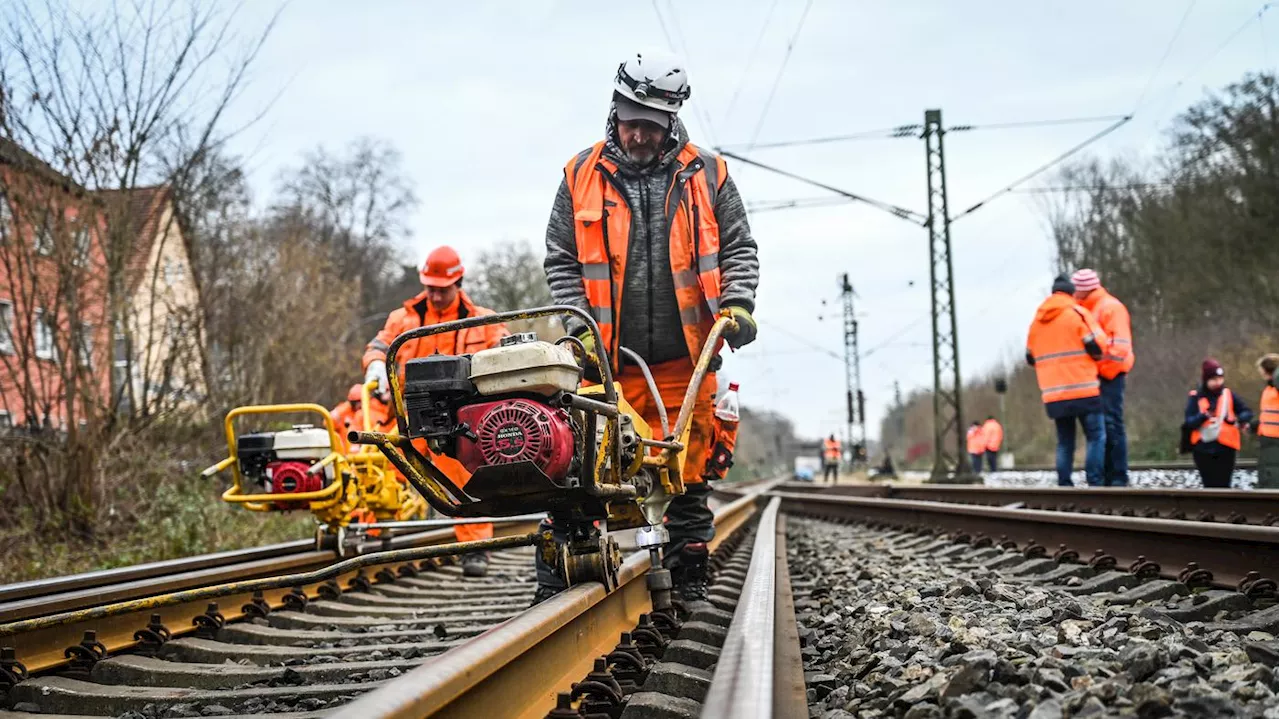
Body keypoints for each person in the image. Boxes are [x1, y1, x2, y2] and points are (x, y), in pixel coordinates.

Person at [542, 49, 759, 604]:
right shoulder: (579, 175)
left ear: (671, 122)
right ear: (615, 110)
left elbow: (738, 246)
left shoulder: (707, 173)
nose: (638, 136)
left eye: (651, 127)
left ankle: (689, 571)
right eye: (631, 122)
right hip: (609, 357)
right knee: (589, 461)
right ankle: (569, 559)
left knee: (689, 467)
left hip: (686, 353)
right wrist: (578, 322)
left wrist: (737, 302)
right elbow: (561, 258)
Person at [363, 245, 509, 577]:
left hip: (458, 422)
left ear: (458, 283)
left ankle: (475, 550)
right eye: (430, 287)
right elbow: (379, 346)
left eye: (442, 289)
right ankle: (370, 539)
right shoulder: (403, 320)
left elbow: (507, 348)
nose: (435, 295)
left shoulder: (483, 322)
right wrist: (374, 367)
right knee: (375, 467)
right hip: (407, 419)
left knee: (465, 478)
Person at [1026, 274, 1108, 487]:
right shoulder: (1077, 313)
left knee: (1065, 442)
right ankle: (1095, 482)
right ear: (1071, 292)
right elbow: (1098, 347)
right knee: (1096, 436)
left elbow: (1030, 357)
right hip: (1084, 390)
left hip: (1054, 394)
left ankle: (1064, 484)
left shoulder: (1037, 321)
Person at [1072, 269, 1134, 487]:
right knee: (1102, 428)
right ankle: (1110, 477)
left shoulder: (1110, 308)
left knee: (1112, 424)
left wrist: (1102, 371)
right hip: (1093, 377)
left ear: (1082, 290)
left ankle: (1117, 476)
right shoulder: (1081, 309)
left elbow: (1120, 348)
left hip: (1109, 375)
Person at [1184, 359, 1253, 489]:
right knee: (1209, 485)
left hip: (1226, 447)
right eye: (1214, 379)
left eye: (1220, 378)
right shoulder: (1196, 397)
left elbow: (1247, 412)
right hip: (1202, 449)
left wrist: (1238, 420)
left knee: (1224, 485)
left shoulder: (1228, 394)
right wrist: (1203, 416)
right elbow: (1189, 422)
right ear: (1206, 380)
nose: (1218, 382)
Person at [1254, 353, 1280, 489]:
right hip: (1268, 442)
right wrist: (1255, 425)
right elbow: (1269, 415)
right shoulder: (1269, 390)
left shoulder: (1276, 387)